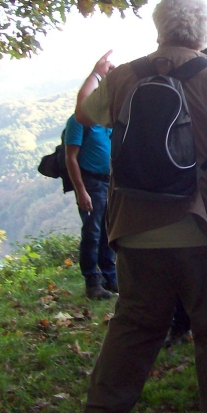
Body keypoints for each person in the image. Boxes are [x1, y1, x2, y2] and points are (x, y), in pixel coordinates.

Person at [73, 0, 207, 413]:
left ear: (159, 28)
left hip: (135, 230)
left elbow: (84, 114)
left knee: (133, 331)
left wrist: (96, 75)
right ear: (205, 33)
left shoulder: (124, 77)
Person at [65, 114, 117, 299]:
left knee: (109, 231)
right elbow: (71, 157)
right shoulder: (78, 121)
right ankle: (92, 282)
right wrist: (81, 191)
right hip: (91, 183)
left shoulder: (107, 121)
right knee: (92, 233)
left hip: (110, 183)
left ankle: (109, 277)